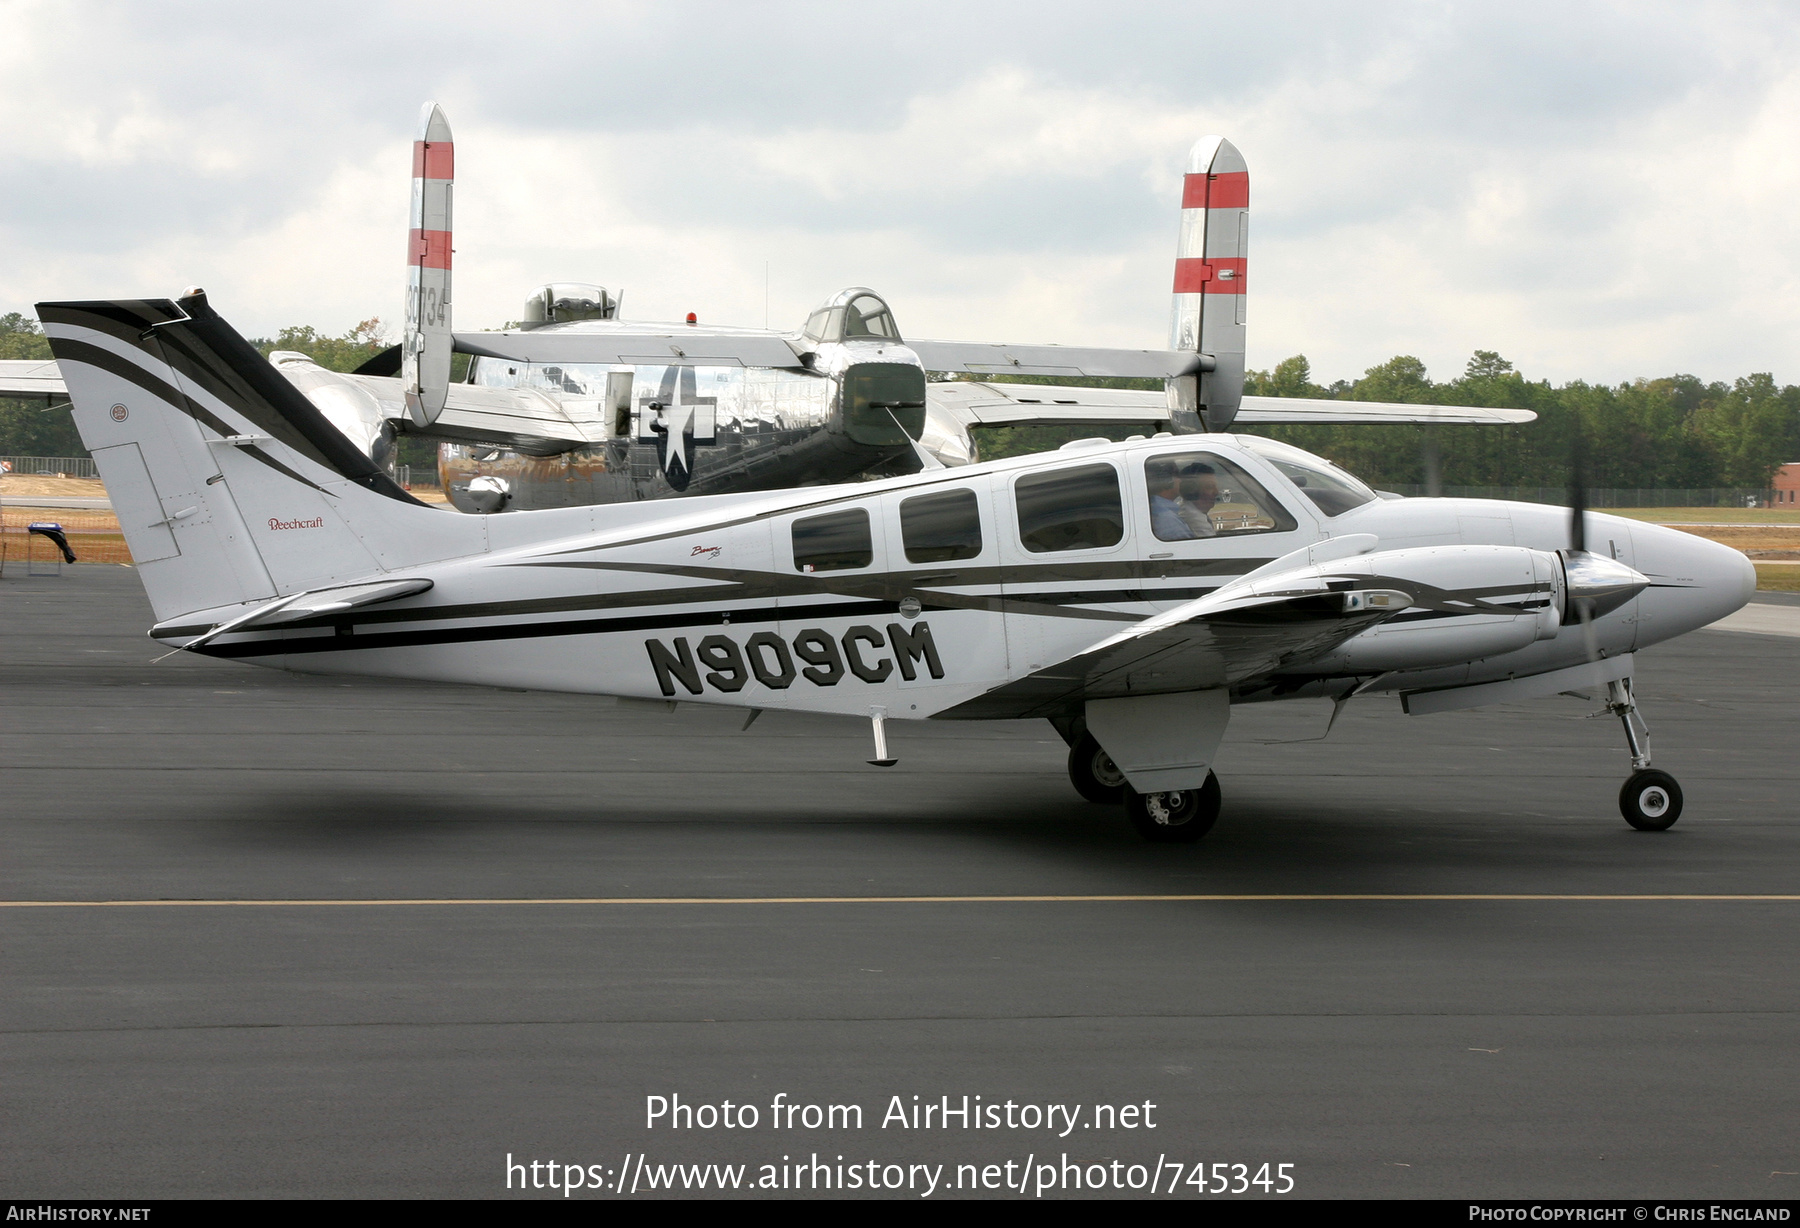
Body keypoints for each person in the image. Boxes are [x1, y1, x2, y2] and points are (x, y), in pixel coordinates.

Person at [1146, 461, 1196, 540]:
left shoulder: (1154, 508)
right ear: (1167, 480)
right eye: (1177, 475)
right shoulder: (1166, 518)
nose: (1180, 480)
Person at [1175, 462, 1219, 537]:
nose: (1216, 492)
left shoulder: (1191, 510)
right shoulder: (1193, 518)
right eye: (1210, 487)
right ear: (1192, 490)